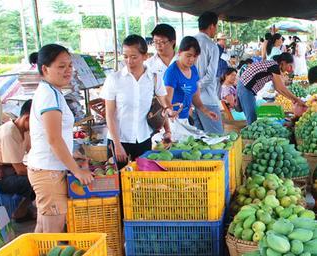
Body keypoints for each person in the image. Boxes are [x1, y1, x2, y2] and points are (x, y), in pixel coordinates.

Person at [27, 44, 93, 233]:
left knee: (43, 232)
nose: (68, 71)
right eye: (61, 66)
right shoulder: (49, 97)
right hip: (49, 172)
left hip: (47, 169)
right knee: (51, 235)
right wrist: (77, 171)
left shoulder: (51, 92)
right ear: (45, 69)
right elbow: (54, 139)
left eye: (70, 66)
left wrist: (71, 156)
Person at [101, 35, 173, 169]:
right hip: (119, 139)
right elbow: (109, 115)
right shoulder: (114, 79)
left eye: (134, 57)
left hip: (143, 137)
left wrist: (167, 130)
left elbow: (163, 106)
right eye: (125, 56)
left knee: (142, 180)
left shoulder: (153, 78)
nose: (129, 61)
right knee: (118, 182)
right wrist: (117, 145)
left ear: (145, 56)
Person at [0, 100, 34, 220]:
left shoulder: (25, 131)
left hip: (8, 174)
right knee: (35, 180)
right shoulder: (9, 133)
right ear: (27, 118)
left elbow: (34, 152)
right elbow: (20, 170)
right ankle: (20, 212)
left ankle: (23, 210)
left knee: (39, 177)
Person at [163, 36, 219, 140]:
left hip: (185, 119)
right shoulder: (172, 72)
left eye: (195, 56)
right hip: (173, 122)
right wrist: (170, 111)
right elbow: (166, 99)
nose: (192, 59)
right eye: (188, 55)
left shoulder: (193, 69)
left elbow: (195, 94)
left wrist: (205, 110)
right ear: (179, 52)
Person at [237, 53, 307, 124]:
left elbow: (278, 88)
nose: (290, 70)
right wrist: (297, 99)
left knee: (252, 115)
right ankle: (250, 133)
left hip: (244, 87)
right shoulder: (274, 66)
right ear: (283, 63)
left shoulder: (273, 65)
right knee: (252, 117)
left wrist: (292, 99)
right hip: (245, 87)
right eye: (290, 66)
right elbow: (281, 87)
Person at [193, 11, 223, 134]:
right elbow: (210, 76)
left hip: (191, 101)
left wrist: (191, 89)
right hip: (207, 100)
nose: (216, 30)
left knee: (199, 140)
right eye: (216, 27)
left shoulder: (189, 42)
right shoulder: (212, 46)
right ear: (212, 26)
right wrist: (196, 87)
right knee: (216, 138)